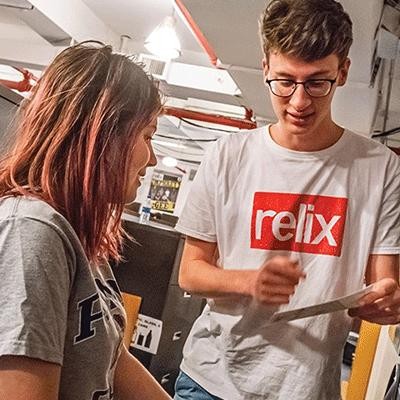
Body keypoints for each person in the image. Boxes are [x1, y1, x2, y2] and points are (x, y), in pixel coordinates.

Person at [174, 1, 400, 399]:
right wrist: (249, 281)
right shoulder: (227, 155)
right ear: (265, 67)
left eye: (317, 82)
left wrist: (386, 303)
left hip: (305, 387)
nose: (298, 102)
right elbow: (191, 272)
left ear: (342, 71)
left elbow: (385, 283)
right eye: (284, 81)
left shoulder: (379, 167)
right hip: (211, 379)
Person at [0, 42, 172, 400]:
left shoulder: (76, 234)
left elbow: (114, 356)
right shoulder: (33, 232)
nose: (152, 159)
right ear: (104, 135)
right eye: (147, 136)